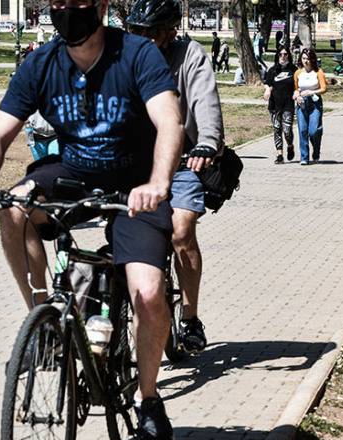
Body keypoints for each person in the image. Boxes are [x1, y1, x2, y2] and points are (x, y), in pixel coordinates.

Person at [0, 0, 183, 440]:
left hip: (135, 186)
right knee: (15, 207)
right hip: (74, 173)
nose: (67, 11)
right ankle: (42, 325)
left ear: (101, 6)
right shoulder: (40, 63)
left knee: (147, 293)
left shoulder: (137, 54)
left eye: (78, 3)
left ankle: (148, 399)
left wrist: (159, 183)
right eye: (57, 3)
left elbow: (169, 121)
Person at [126, 0, 225, 356]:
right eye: (136, 32)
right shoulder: (126, 57)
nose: (142, 39)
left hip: (184, 162)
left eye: (150, 32)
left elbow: (205, 102)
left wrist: (208, 143)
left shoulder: (189, 56)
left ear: (169, 33)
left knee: (182, 231)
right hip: (135, 164)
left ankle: (190, 316)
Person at [264, 46, 297, 164]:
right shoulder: (272, 71)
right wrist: (267, 89)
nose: (283, 57)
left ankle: (290, 146)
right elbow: (267, 83)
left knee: (287, 130)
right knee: (277, 128)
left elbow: (298, 86)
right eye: (280, 55)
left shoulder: (293, 70)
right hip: (275, 105)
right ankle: (279, 155)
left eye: (285, 54)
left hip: (288, 103)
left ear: (289, 56)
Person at [293, 48, 326, 165]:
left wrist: (312, 92)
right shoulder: (298, 73)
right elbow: (296, 88)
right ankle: (304, 157)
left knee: (313, 131)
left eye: (308, 59)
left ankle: (316, 151)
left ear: (312, 59)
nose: (305, 61)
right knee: (302, 130)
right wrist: (296, 94)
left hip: (315, 102)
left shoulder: (318, 72)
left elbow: (324, 88)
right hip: (302, 103)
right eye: (303, 59)